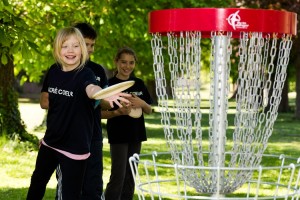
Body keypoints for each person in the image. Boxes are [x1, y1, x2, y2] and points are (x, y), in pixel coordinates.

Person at [27, 27, 130, 200]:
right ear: (57, 49)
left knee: (71, 194)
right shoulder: (53, 71)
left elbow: (91, 89)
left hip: (74, 148)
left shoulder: (85, 73)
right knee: (37, 183)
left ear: (82, 49)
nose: (70, 51)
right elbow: (52, 105)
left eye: (76, 46)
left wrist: (103, 93)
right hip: (50, 143)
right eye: (65, 46)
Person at [102, 47, 153, 200]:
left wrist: (142, 102)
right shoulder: (108, 84)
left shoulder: (138, 83)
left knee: (131, 176)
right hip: (118, 135)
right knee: (118, 176)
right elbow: (99, 113)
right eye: (123, 62)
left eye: (131, 63)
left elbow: (149, 110)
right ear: (116, 62)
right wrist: (117, 112)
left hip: (136, 135)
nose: (127, 66)